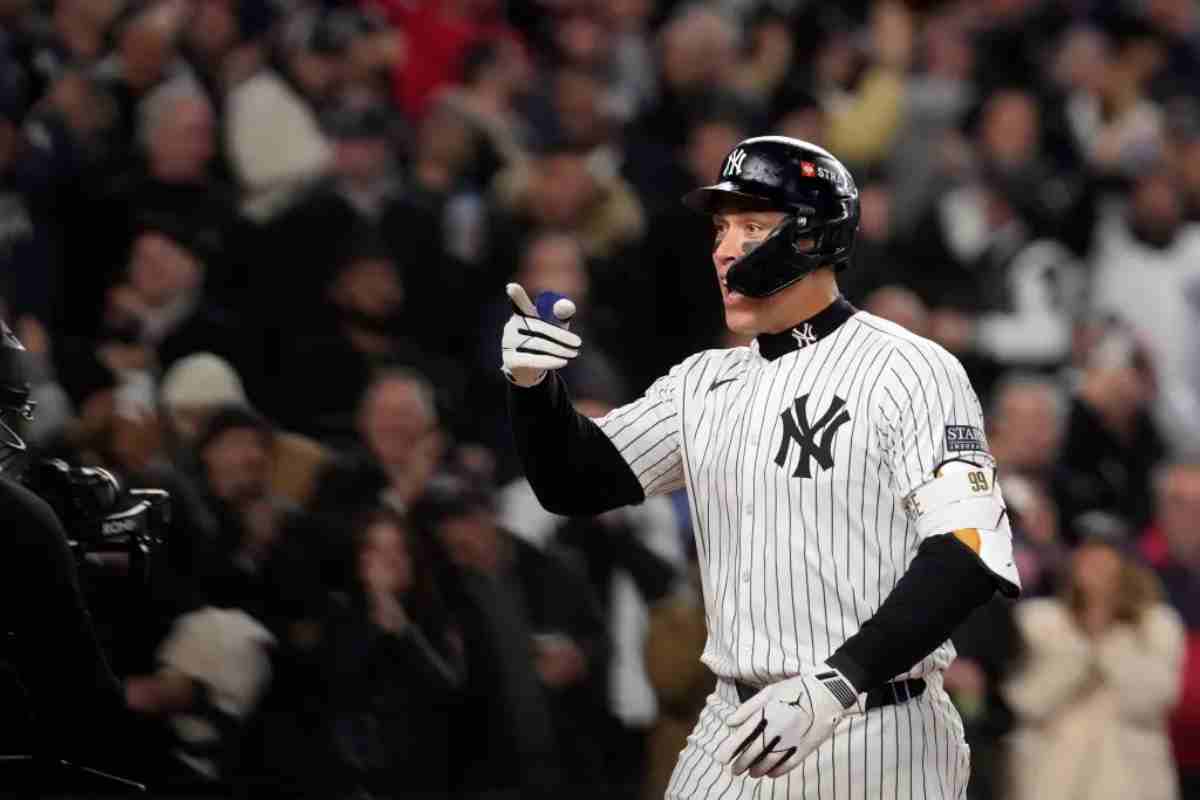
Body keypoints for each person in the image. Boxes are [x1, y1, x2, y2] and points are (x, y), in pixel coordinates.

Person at [500, 136, 1021, 797]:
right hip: (732, 720)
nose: (723, 247)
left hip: (876, 722)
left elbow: (969, 548)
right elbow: (573, 482)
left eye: (751, 225)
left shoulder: (910, 368)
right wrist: (533, 389)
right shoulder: (704, 380)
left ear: (810, 238)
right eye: (721, 226)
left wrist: (835, 682)